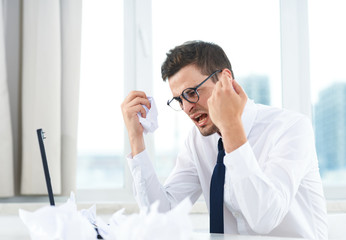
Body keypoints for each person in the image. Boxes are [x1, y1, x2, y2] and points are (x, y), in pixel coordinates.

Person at [121, 40, 328, 239]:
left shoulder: (291, 128)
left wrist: (230, 126)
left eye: (192, 93)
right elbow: (160, 218)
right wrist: (135, 138)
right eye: (179, 100)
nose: (186, 108)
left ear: (225, 79)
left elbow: (264, 218)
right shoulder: (197, 142)